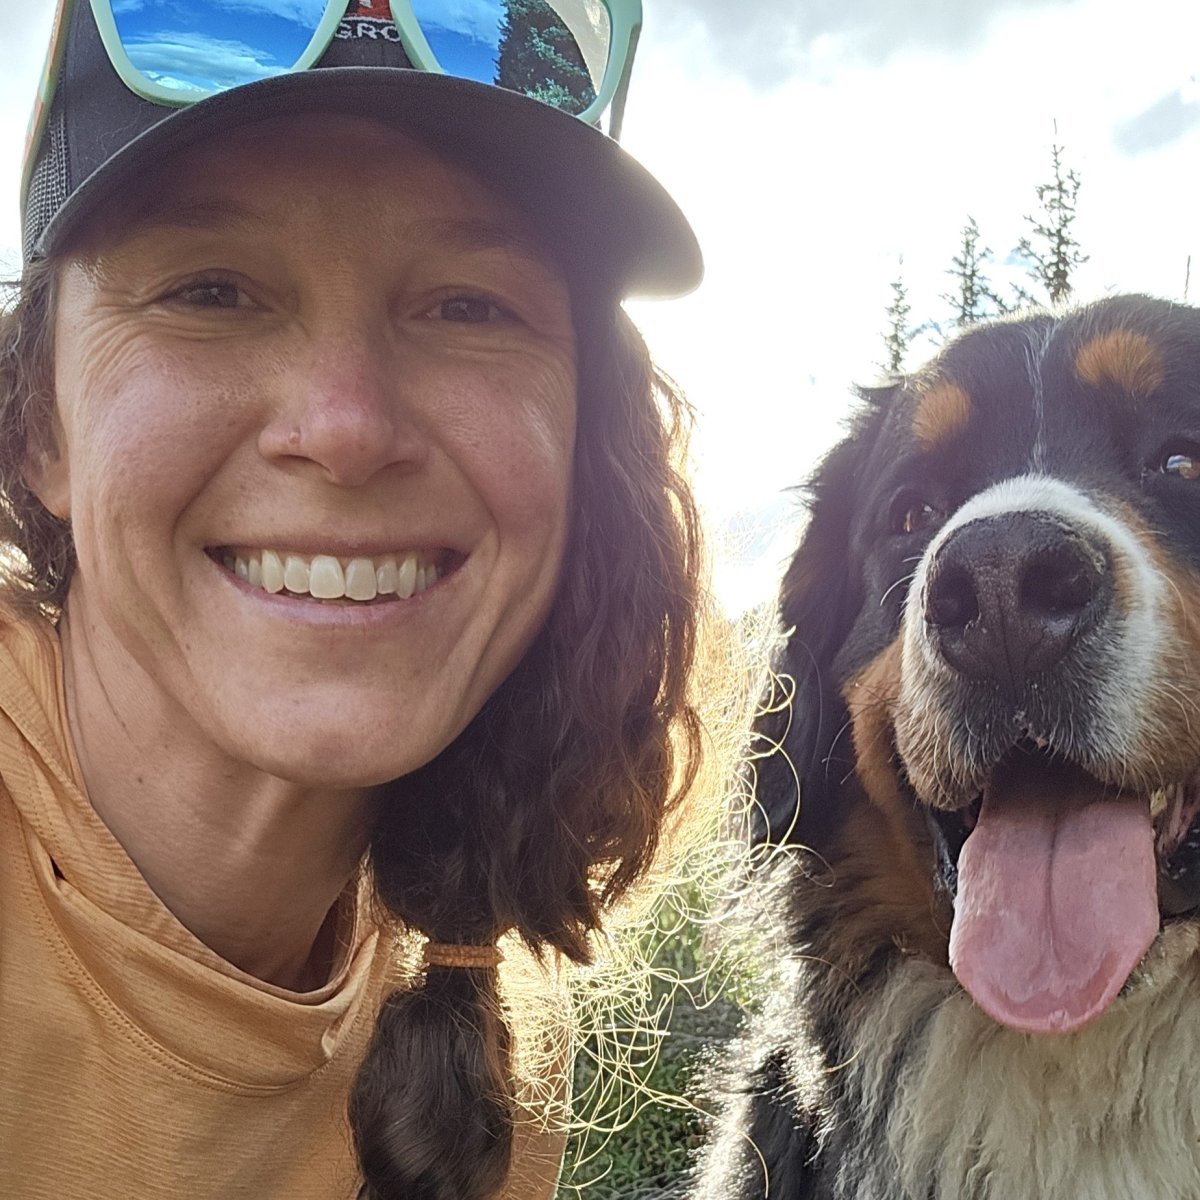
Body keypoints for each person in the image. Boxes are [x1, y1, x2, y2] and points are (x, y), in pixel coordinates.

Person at [0, 2, 714, 1197]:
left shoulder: (477, 1038)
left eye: (468, 306)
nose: (345, 427)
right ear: (41, 428)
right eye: (212, 292)